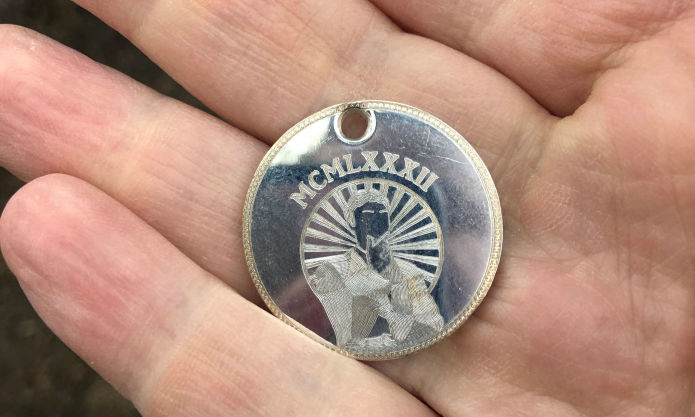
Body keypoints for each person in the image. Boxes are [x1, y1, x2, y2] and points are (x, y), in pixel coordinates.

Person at [0, 1, 693, 415]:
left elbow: (412, 312)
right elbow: (359, 313)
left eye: (376, 219)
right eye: (365, 219)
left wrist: (394, 276)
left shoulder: (410, 270)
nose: (371, 224)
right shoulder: (337, 270)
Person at [308, 188, 443, 349]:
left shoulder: (409, 272)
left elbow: (432, 328)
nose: (378, 221)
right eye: (370, 214)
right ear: (352, 220)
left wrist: (395, 279)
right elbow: (345, 340)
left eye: (383, 215)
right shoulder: (332, 270)